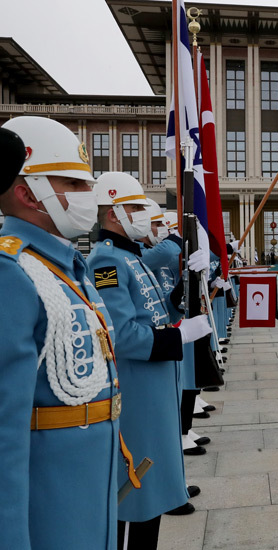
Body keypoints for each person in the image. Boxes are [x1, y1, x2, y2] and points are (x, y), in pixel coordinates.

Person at [0, 117, 121, 549]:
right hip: (50, 513)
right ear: (28, 193)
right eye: (74, 182)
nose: (90, 195)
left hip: (90, 496)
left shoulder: (67, 267)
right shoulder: (11, 273)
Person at [88, 172, 212, 548]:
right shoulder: (106, 262)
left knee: (153, 493)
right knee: (136, 498)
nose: (145, 214)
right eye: (136, 207)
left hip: (155, 389)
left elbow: (157, 310)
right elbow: (123, 336)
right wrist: (178, 336)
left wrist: (185, 287)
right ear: (113, 214)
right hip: (137, 394)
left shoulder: (132, 256)